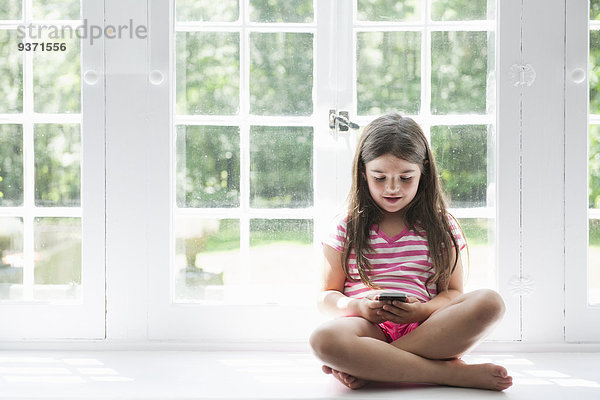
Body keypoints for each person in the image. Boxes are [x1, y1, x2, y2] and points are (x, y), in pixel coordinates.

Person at [309, 113, 512, 391]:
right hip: (366, 329)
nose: (392, 188)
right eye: (379, 178)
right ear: (363, 173)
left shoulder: (441, 225)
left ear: (423, 171)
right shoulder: (346, 226)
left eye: (405, 177)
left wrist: (422, 311)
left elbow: (453, 293)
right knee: (323, 340)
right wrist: (359, 308)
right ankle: (450, 374)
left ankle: (373, 368)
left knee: (491, 302)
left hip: (428, 328)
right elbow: (326, 297)